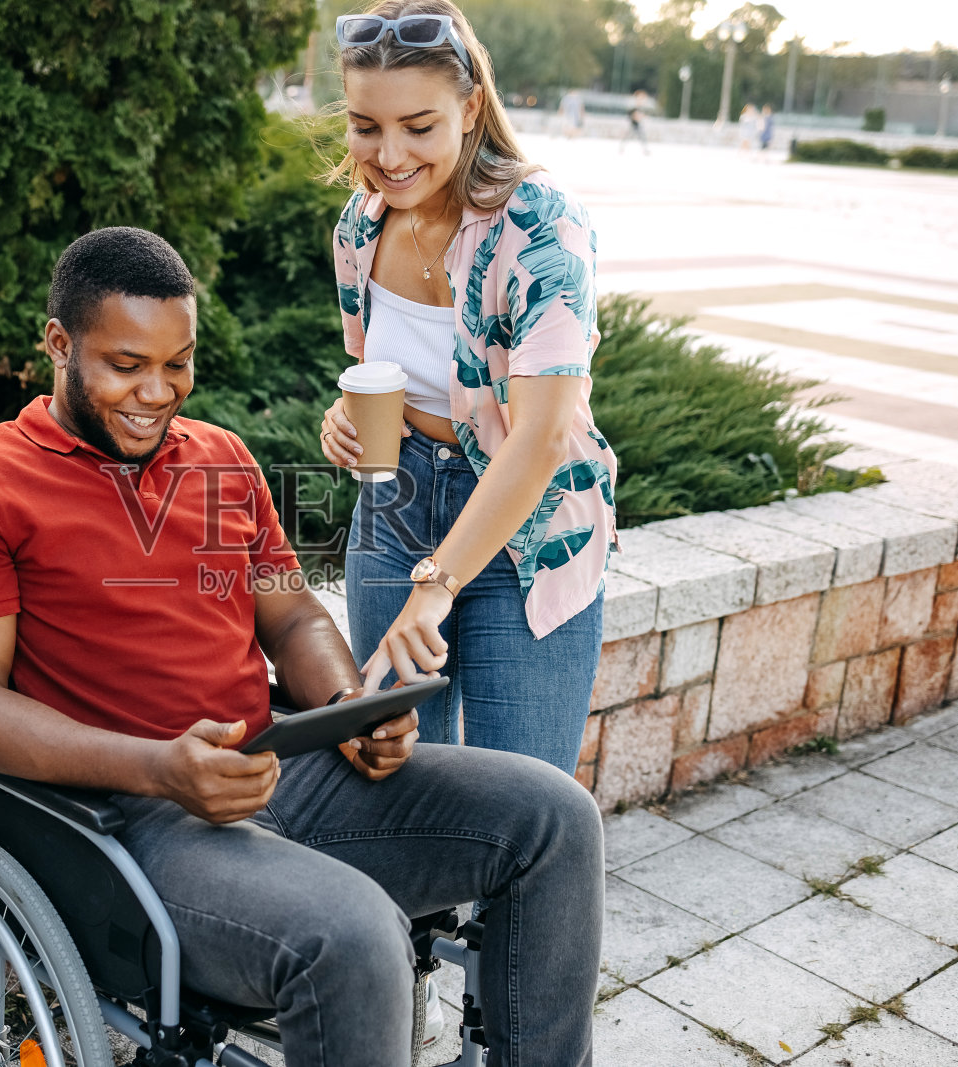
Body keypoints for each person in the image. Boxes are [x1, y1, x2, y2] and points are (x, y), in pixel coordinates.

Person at [0, 226, 604, 1067]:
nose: (156, 392)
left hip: (281, 766)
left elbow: (293, 619)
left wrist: (348, 705)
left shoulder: (220, 460)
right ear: (58, 344)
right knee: (353, 935)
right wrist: (161, 767)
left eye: (178, 364)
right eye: (126, 365)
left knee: (555, 818)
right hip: (129, 821)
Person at [320, 0, 616, 774]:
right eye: (366, 126)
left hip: (529, 525)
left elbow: (545, 437)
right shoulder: (360, 224)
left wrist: (438, 583)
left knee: (522, 795)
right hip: (394, 505)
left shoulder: (542, 227)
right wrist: (343, 420)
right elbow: (378, 371)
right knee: (391, 778)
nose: (388, 154)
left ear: (471, 107)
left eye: (419, 127)